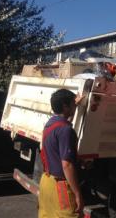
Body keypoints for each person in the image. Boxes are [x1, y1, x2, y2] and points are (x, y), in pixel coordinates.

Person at [38, 89, 84, 218]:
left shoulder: (50, 124)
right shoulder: (66, 130)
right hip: (60, 187)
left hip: (46, 182)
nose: (75, 106)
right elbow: (67, 165)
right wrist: (77, 194)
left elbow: (65, 121)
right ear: (65, 106)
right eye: (73, 104)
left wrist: (75, 105)